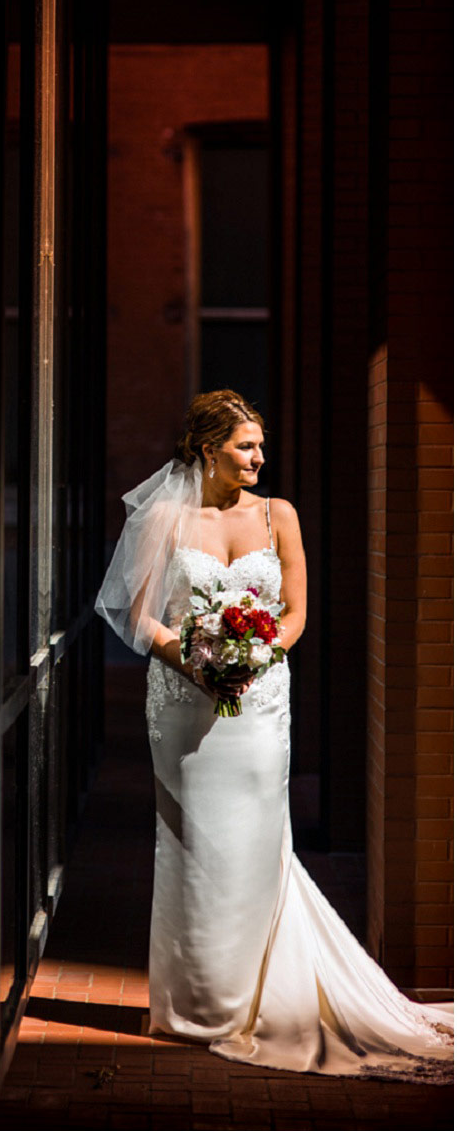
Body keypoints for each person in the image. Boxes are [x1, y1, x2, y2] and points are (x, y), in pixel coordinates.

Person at [96, 388, 453, 1081]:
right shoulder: (164, 517)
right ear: (207, 448)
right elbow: (136, 615)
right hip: (183, 703)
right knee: (191, 840)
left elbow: (294, 611)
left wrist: (256, 655)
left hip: (260, 702)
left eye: (261, 445)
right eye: (245, 446)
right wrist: (195, 659)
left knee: (258, 838)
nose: (259, 457)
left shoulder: (277, 514)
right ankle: (194, 1002)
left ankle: (261, 998)